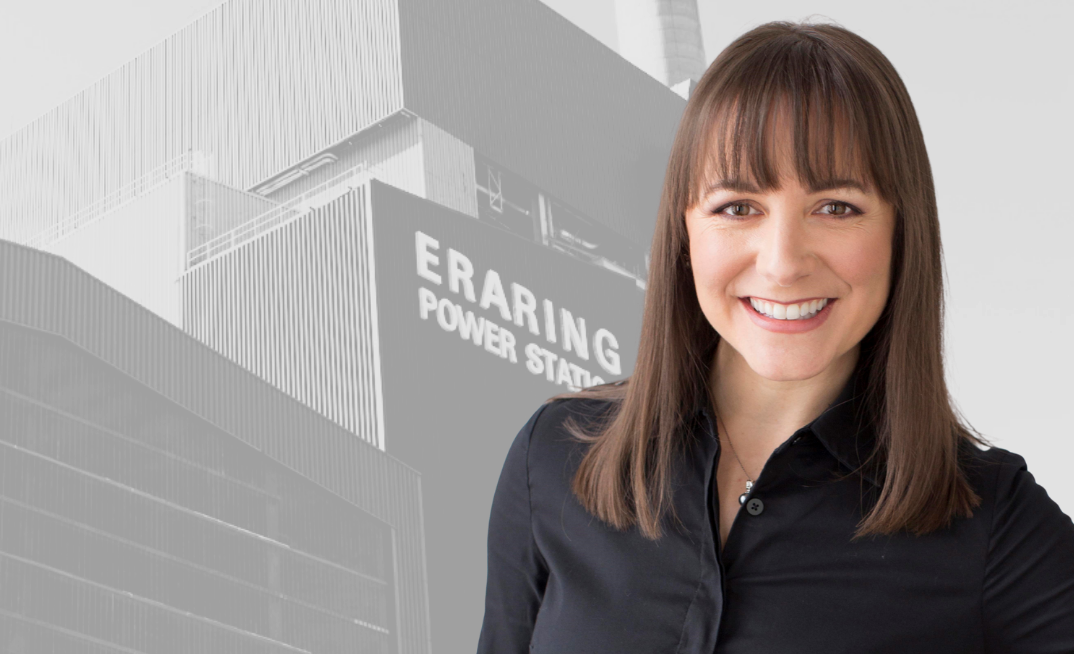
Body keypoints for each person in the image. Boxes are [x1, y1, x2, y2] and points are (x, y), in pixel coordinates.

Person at [475, 18, 1074, 654]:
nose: (784, 261)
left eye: (837, 207)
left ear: (903, 233)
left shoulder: (991, 518)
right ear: (684, 234)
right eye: (737, 207)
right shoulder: (555, 456)